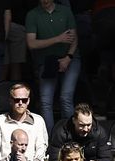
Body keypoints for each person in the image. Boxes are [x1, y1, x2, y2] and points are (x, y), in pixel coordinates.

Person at [25, 0, 79, 131]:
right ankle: (49, 139)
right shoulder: (32, 14)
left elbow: (74, 38)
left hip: (70, 58)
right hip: (47, 61)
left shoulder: (65, 11)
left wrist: (68, 57)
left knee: (66, 98)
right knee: (45, 102)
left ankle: (71, 136)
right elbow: (31, 44)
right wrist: (58, 39)